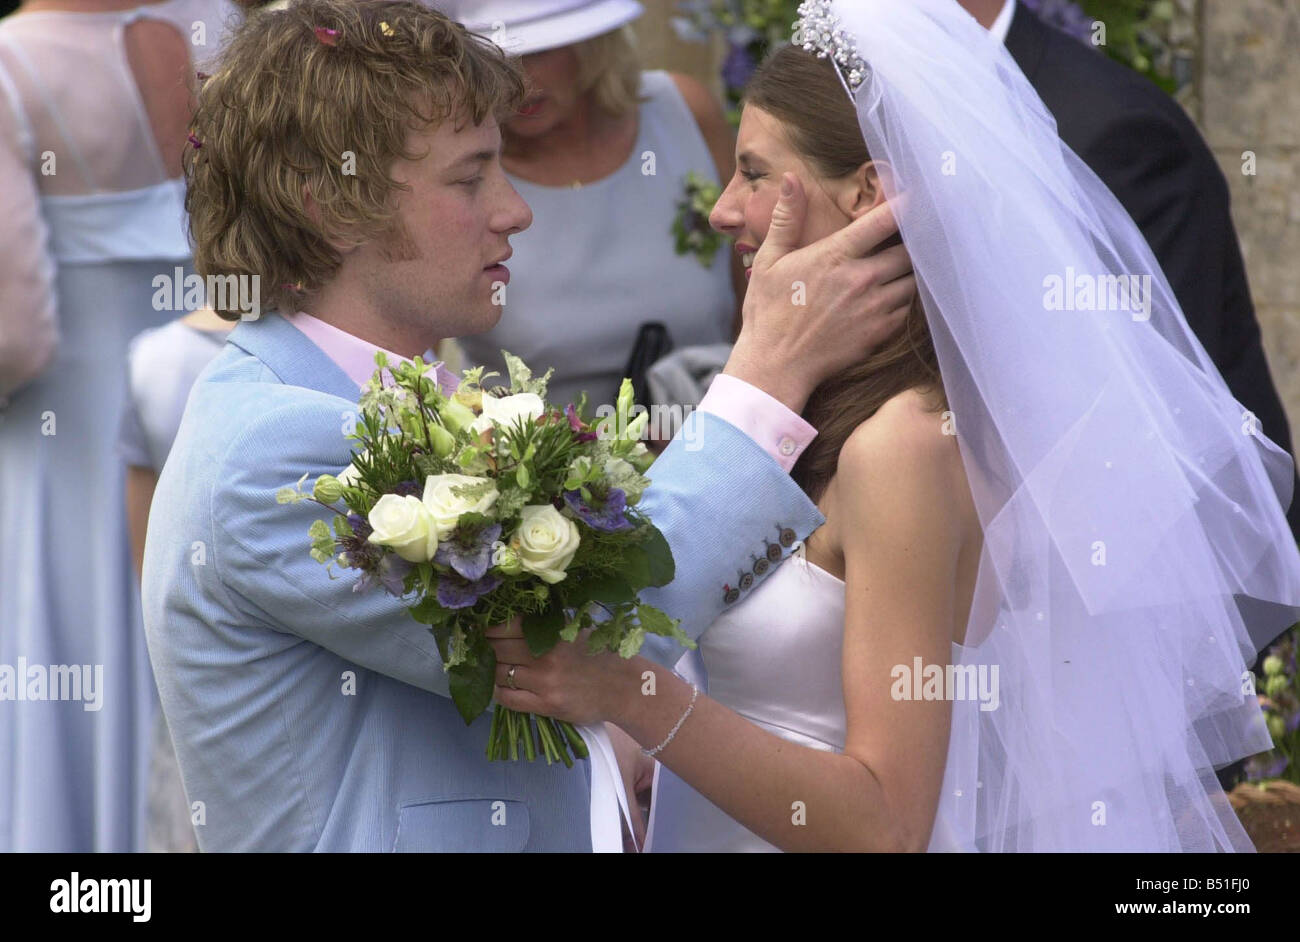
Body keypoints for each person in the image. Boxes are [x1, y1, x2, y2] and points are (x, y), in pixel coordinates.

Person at [491, 0, 1300, 852]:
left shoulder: (902, 446)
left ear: (869, 194)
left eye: (757, 174)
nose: (724, 210)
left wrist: (628, 694)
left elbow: (884, 823)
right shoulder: (801, 412)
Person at [141, 0, 914, 852]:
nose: (516, 210)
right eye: (470, 178)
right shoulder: (274, 449)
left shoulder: (402, 400)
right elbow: (599, 624)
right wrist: (769, 370)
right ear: (329, 203)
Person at [0, 0, 234, 852]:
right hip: (209, 401)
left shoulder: (10, 64)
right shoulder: (216, 26)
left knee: (71, 661)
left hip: (63, 439)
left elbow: (12, 337)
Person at [444, 0, 743, 416]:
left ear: (594, 43)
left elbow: (757, 302)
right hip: (538, 473)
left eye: (539, 52)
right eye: (493, 57)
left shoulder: (683, 111)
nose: (518, 80)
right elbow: (413, 370)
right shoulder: (451, 168)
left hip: (720, 451)